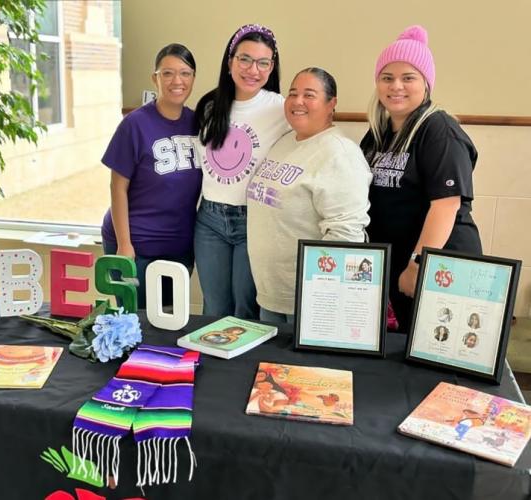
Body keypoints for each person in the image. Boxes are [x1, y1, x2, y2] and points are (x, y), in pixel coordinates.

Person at [361, 26, 482, 333]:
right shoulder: (379, 134)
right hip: (401, 266)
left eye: (408, 77)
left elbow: (445, 206)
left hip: (439, 265)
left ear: (426, 84)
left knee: (438, 359)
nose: (396, 86)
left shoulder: (439, 130)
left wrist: (418, 264)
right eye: (387, 77)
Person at [247, 68, 371, 323]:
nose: (298, 101)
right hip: (270, 296)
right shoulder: (284, 142)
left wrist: (319, 295)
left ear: (331, 103)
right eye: (292, 94)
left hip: (307, 303)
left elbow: (346, 236)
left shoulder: (339, 154)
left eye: (309, 95)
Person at [194, 24, 289, 319]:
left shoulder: (281, 108)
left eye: (263, 62)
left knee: (245, 311)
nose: (253, 70)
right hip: (209, 221)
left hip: (254, 222)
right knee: (214, 309)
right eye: (245, 59)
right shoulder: (209, 106)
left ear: (272, 67)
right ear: (230, 61)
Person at [100, 44, 202, 309]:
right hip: (136, 246)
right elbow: (117, 187)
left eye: (185, 73)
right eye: (167, 73)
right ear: (155, 78)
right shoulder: (135, 124)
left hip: (179, 249)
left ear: (193, 78)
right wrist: (125, 245)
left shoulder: (198, 125)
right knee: (135, 327)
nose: (177, 81)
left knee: (169, 325)